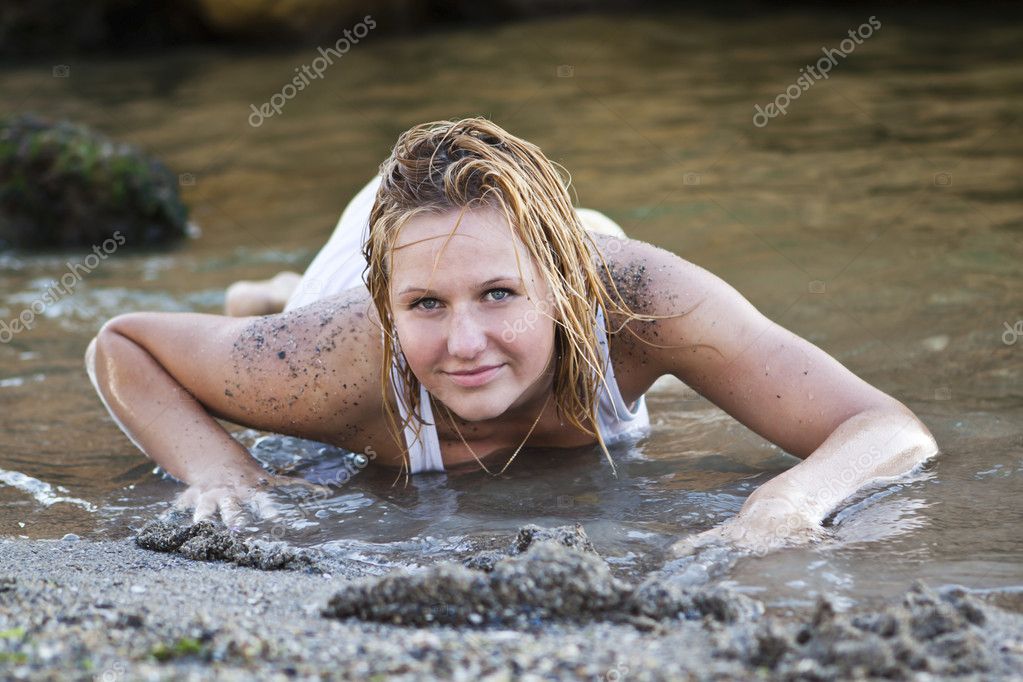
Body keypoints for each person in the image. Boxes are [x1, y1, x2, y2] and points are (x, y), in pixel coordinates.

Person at [85, 117, 938, 556]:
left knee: (672, 350)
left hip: (558, 246)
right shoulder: (323, 360)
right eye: (425, 309)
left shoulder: (640, 298)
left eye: (496, 298)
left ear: (571, 290)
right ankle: (273, 291)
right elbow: (124, 343)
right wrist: (222, 468)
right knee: (313, 307)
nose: (463, 344)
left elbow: (888, 429)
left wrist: (783, 504)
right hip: (356, 268)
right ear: (389, 310)